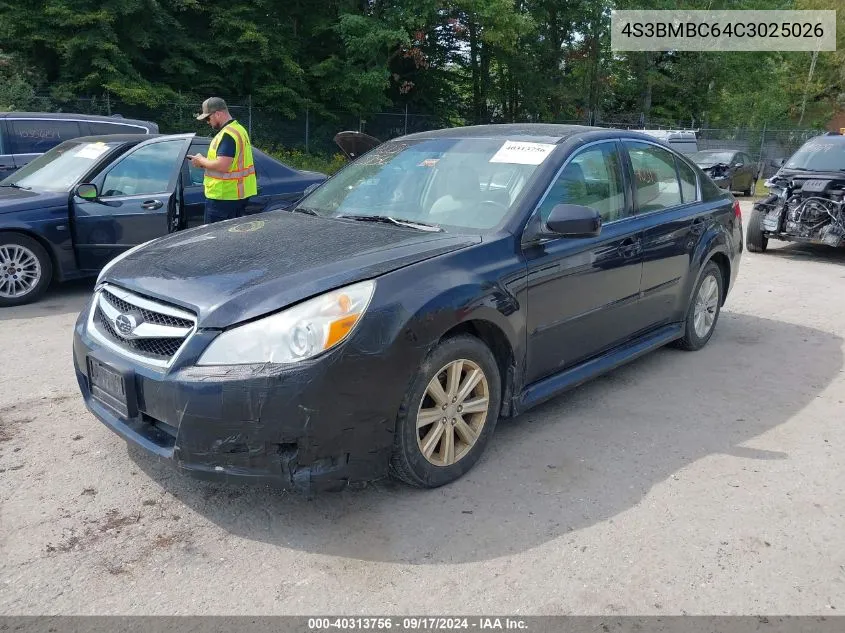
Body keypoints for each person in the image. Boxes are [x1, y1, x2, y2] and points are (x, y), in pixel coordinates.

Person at [190, 97, 257, 224]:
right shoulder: (239, 129)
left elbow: (223, 165)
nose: (207, 122)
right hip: (237, 196)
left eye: (208, 118)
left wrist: (201, 161)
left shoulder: (227, 135)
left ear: (218, 114)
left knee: (214, 239)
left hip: (223, 198)